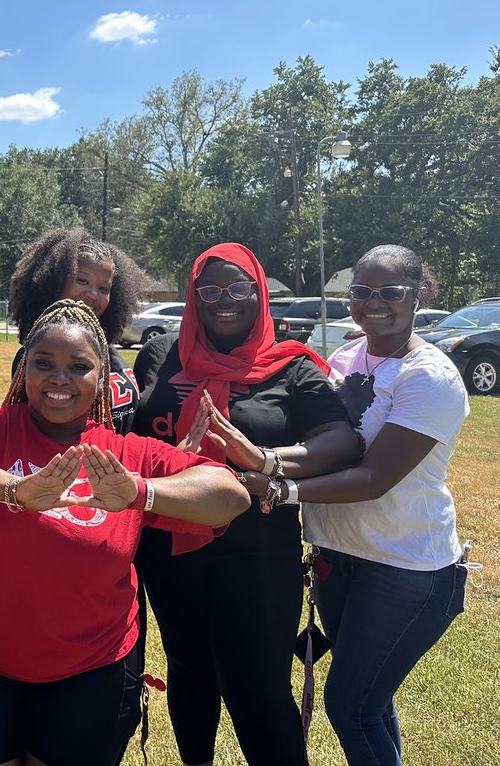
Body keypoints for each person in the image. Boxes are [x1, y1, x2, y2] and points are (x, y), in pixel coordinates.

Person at [0, 300, 250, 766]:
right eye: (43, 363)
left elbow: (230, 495)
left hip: (91, 671)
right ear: (23, 368)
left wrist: (140, 493)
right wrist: (14, 490)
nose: (59, 378)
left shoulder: (126, 454)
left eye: (78, 366)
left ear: (102, 379)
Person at [132, 242, 359, 766]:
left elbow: (339, 441)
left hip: (256, 551)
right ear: (193, 294)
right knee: (189, 670)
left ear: (260, 293)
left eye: (239, 287)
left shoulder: (291, 365)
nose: (223, 299)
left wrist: (264, 459)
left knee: (257, 686)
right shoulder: (162, 353)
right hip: (170, 544)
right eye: (209, 289)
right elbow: (134, 426)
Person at [256, 245, 469, 766]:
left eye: (391, 292)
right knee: (372, 700)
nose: (374, 302)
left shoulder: (431, 378)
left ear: (418, 295)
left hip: (405, 567)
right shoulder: (347, 356)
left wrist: (279, 489)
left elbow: (373, 478)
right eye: (361, 291)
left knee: (350, 705)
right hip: (339, 557)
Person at [8, 227, 150, 433]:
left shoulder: (106, 350)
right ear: (54, 281)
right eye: (82, 281)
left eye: (104, 288)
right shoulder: (36, 357)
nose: (92, 294)